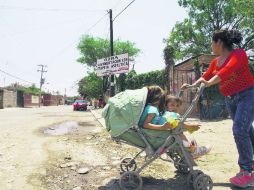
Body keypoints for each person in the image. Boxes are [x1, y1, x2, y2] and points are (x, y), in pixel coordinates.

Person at [181, 29, 254, 188]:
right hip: (231, 99)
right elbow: (205, 76)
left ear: (219, 42)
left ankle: (247, 172)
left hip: (247, 95)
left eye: (212, 42)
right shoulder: (215, 62)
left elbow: (227, 72)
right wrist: (193, 85)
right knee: (246, 130)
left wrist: (208, 83)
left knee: (240, 130)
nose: (211, 46)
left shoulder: (239, 54)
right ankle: (251, 165)